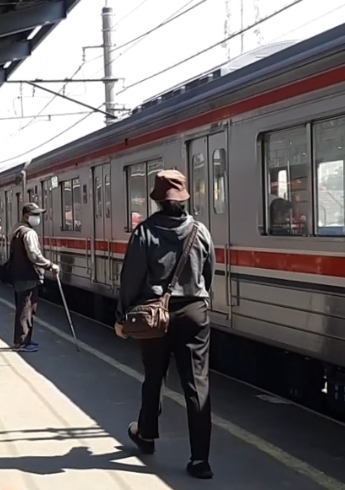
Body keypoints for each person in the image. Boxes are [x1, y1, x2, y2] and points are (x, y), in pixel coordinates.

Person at [116, 169, 215, 480]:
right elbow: (208, 275)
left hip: (154, 315)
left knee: (154, 376)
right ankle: (200, 461)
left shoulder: (144, 232)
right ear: (184, 198)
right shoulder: (201, 231)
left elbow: (130, 279)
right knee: (197, 385)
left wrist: (122, 317)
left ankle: (146, 435)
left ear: (157, 201)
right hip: (194, 313)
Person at [8, 203, 59, 352]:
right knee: (26, 308)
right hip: (28, 275)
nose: (38, 218)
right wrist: (50, 265)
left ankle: (23, 340)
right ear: (26, 216)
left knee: (23, 307)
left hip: (18, 274)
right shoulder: (29, 233)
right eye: (35, 215)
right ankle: (22, 342)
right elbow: (34, 255)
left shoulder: (16, 230)